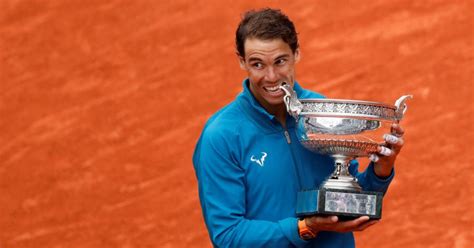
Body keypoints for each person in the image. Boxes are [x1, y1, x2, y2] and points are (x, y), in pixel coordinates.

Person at [192, 8, 405, 248]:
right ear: (242, 62)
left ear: (297, 53)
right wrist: (305, 227)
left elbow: (346, 197)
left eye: (280, 61)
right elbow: (227, 236)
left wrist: (380, 172)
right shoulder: (220, 136)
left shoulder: (322, 113)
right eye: (257, 64)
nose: (271, 76)